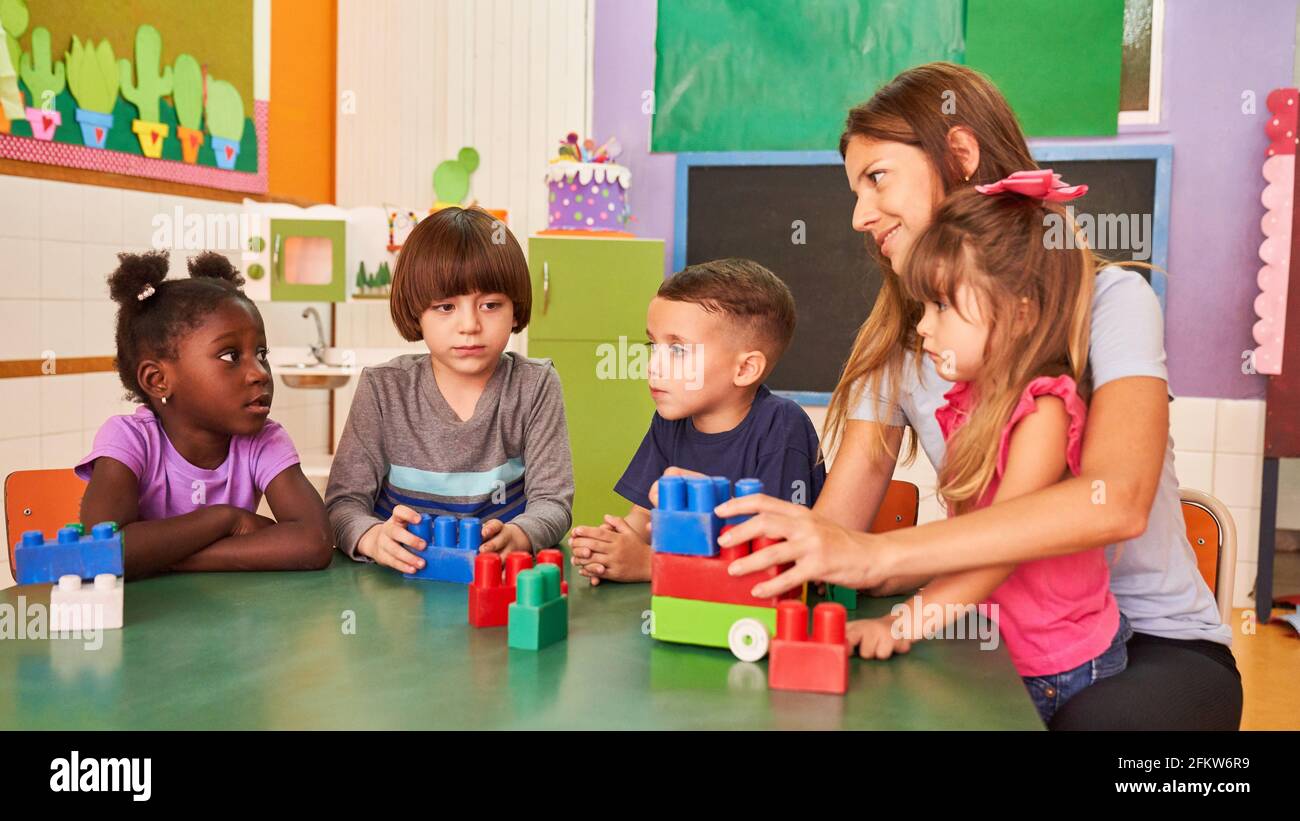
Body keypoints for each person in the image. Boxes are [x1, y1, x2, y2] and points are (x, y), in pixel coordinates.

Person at [718, 62, 1241, 731]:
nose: (858, 216)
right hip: (999, 641)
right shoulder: (904, 345)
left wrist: (885, 557)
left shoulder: (1111, 301)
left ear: (960, 156)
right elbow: (837, 534)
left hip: (1155, 648)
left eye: (876, 178)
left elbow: (1119, 499)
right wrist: (706, 553)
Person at [326, 207, 574, 571]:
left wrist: (520, 535)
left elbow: (553, 502)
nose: (470, 325)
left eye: (490, 305)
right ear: (416, 314)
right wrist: (372, 537)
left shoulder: (534, 385)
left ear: (516, 310)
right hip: (399, 584)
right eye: (445, 307)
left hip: (496, 579)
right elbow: (342, 504)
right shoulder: (383, 389)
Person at [569, 258, 824, 584]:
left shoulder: (782, 426)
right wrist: (609, 546)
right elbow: (644, 517)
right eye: (653, 345)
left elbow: (771, 557)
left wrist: (651, 566)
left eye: (677, 350)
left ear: (745, 369)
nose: (653, 366)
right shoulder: (669, 420)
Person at [77, 251, 331, 577]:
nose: (260, 373)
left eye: (261, 354)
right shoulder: (130, 439)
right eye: (230, 356)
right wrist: (226, 519)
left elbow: (315, 542)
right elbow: (102, 550)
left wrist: (165, 559)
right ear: (158, 380)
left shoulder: (264, 439)